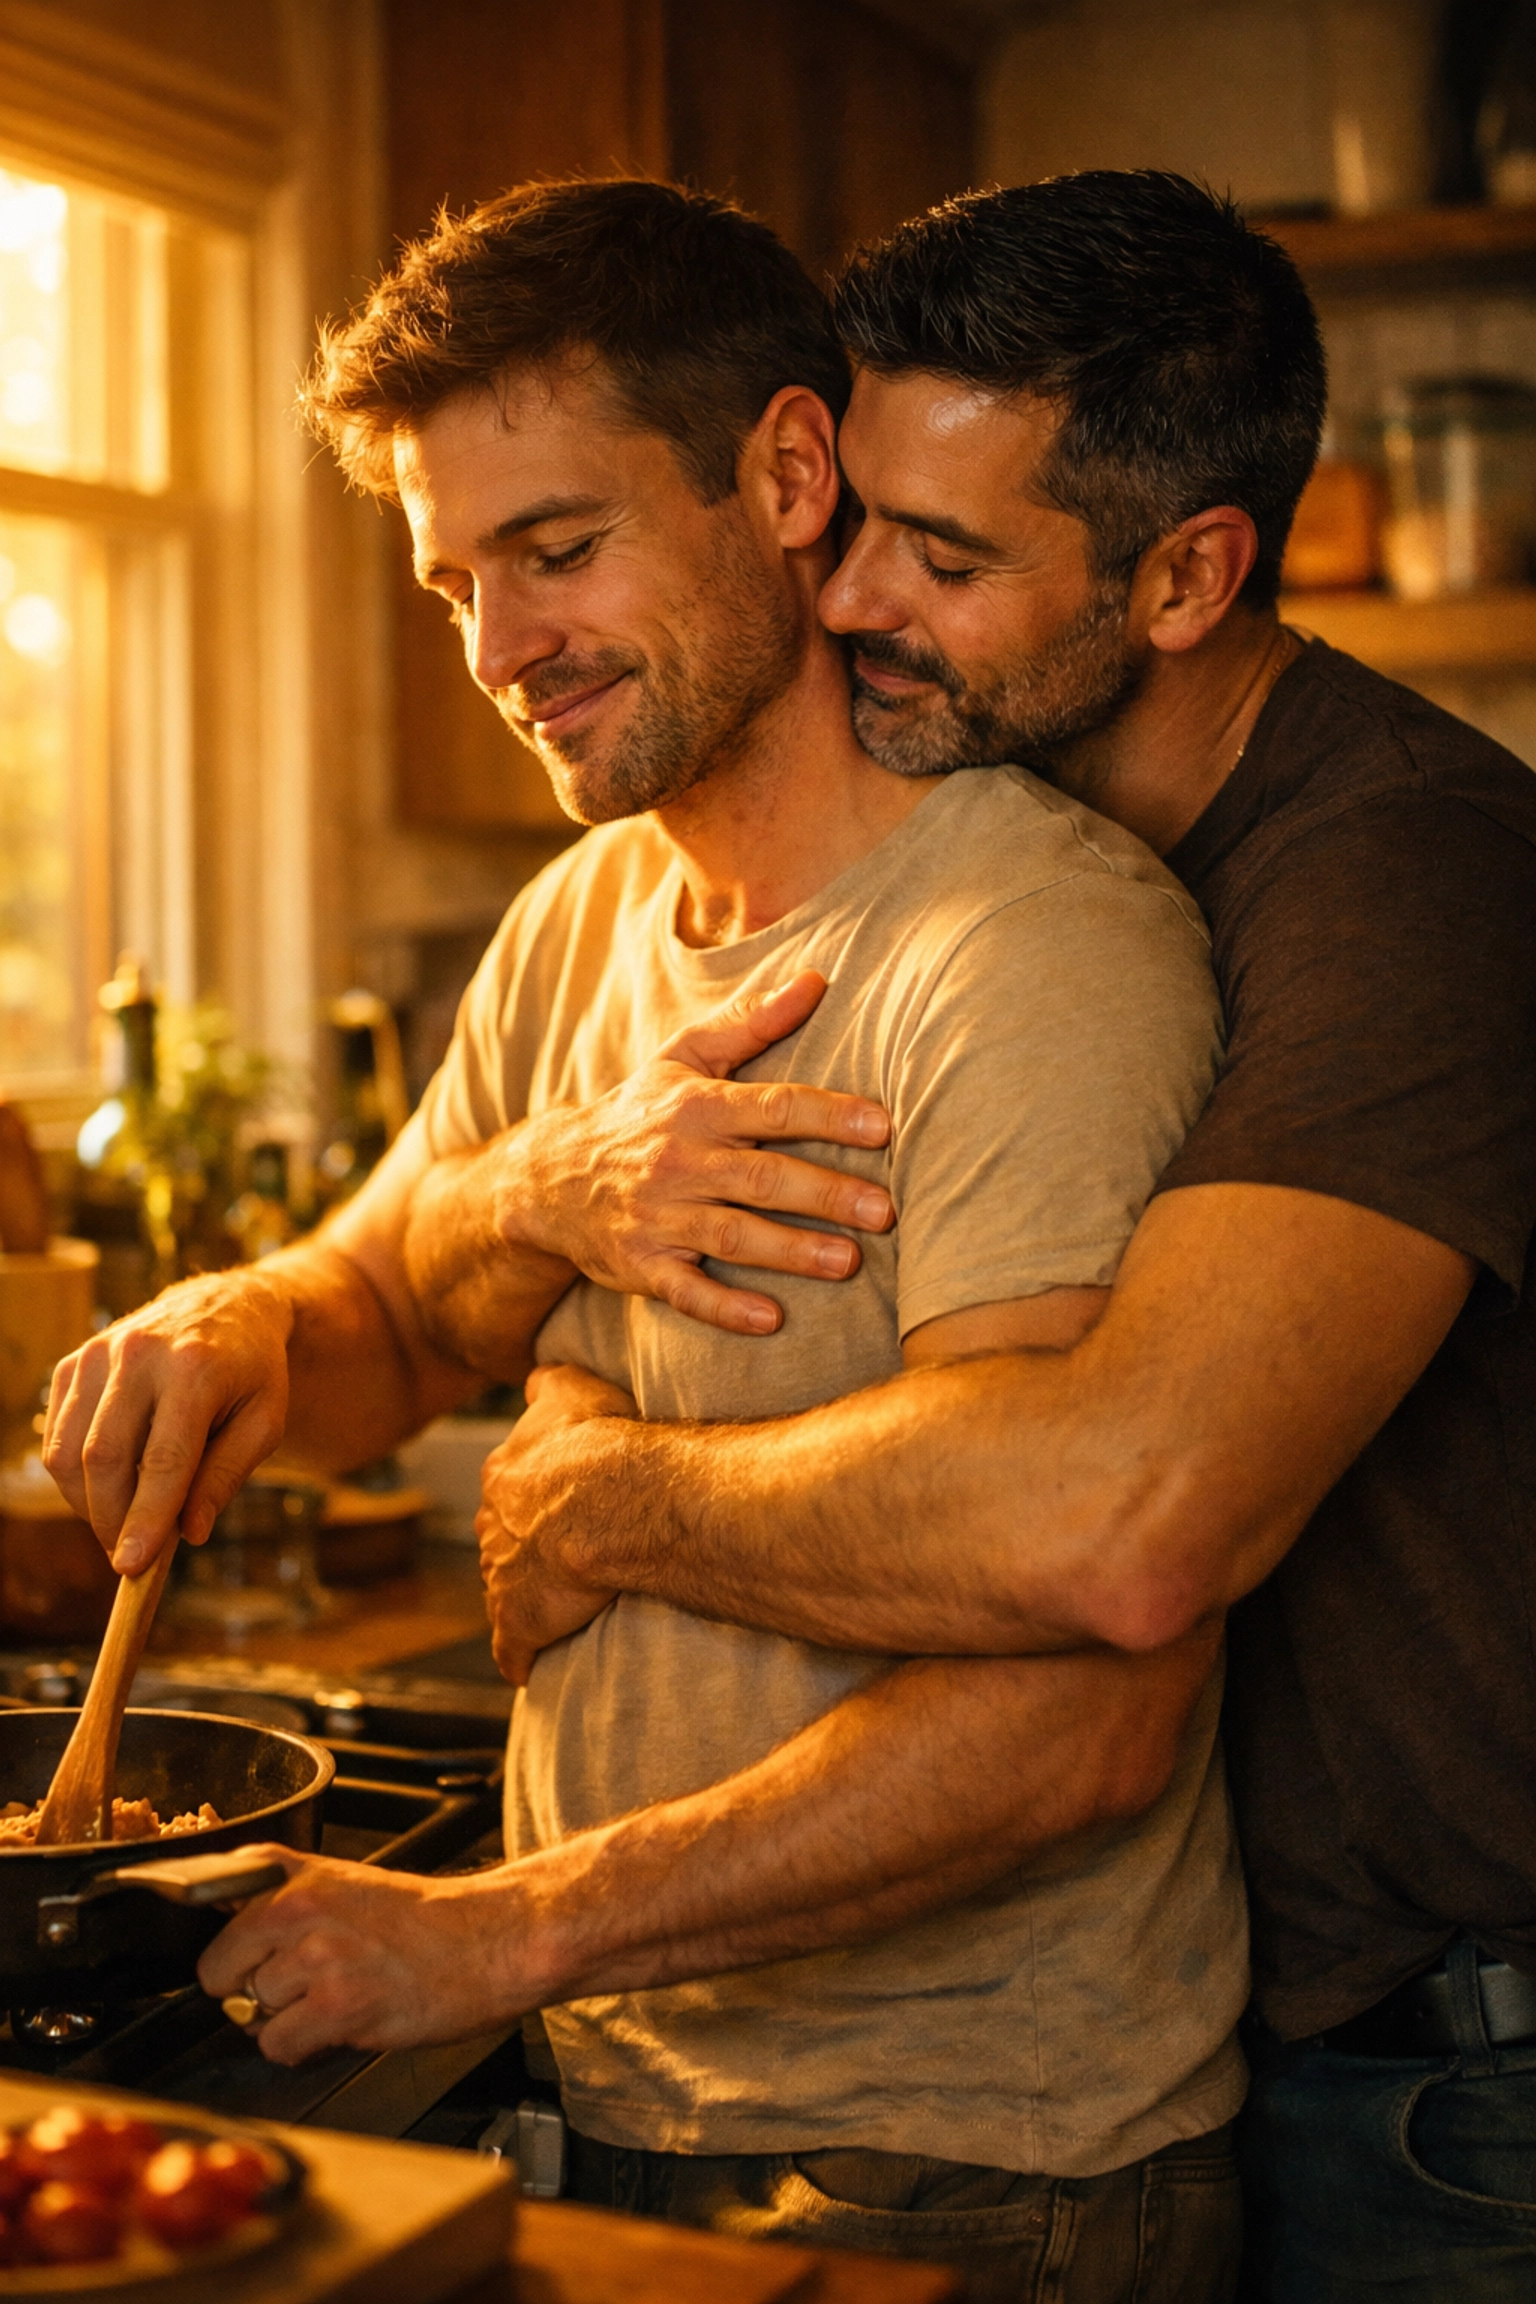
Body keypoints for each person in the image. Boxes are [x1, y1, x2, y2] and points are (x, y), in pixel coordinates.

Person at [45, 180, 1245, 2301]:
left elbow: (1087, 1716)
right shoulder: (579, 924)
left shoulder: (1026, 952)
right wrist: (230, 1317)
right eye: (453, 585)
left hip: (964, 2161)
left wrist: (497, 1922)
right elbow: (386, 1308)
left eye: (556, 550)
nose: (503, 654)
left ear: (787, 476)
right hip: (615, 2094)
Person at [458, 175, 1536, 2304]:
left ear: (1187, 577)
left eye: (942, 559)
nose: (845, 596)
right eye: (849, 517)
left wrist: (595, 1500)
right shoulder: (1011, 845)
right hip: (1274, 2008)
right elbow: (418, 1243)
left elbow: (1127, 1514)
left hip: (1448, 2076)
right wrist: (537, 1189)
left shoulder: (1416, 880)